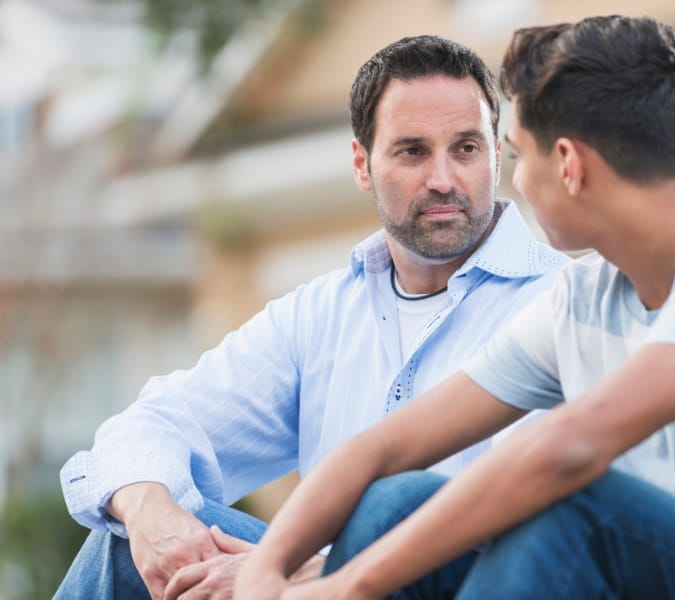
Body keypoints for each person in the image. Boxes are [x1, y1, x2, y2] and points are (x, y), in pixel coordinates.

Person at [233, 15, 675, 600]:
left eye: (516, 155)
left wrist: (349, 585)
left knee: (577, 503)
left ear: (569, 166)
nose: (513, 183)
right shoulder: (582, 302)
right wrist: (267, 571)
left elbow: (569, 449)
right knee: (394, 502)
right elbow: (386, 446)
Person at [54, 35, 567, 600]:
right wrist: (149, 510)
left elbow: (524, 516)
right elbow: (155, 423)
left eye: (466, 149)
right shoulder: (320, 314)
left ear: (496, 153)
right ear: (361, 164)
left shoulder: (558, 302)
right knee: (128, 541)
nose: (443, 179)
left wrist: (283, 571)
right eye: (413, 151)